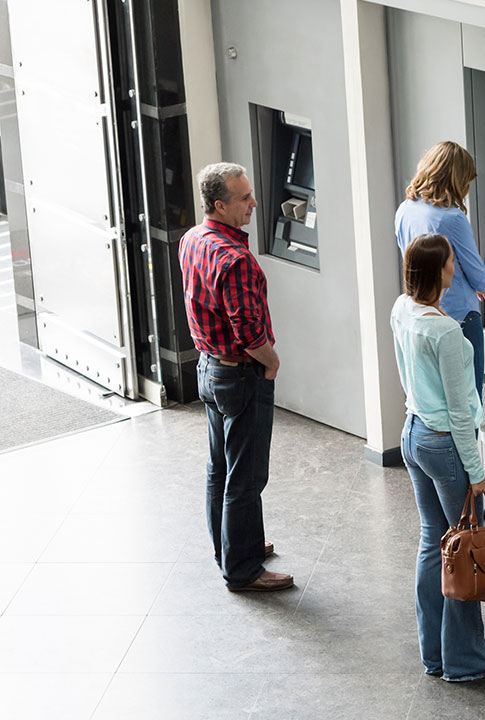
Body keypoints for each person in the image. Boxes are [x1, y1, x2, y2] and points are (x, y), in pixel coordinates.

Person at [391, 232, 485, 682]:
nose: (456, 265)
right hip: (445, 445)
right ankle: (466, 662)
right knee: (466, 551)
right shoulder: (445, 331)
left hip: (413, 434)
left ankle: (434, 657)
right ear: (441, 271)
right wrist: (477, 475)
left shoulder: (402, 309)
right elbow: (459, 412)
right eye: (451, 259)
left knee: (434, 542)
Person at [179, 162, 292, 592]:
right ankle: (243, 568)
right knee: (246, 477)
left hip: (208, 368)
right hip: (240, 375)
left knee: (219, 468)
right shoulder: (235, 259)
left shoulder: (193, 240)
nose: (254, 203)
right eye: (244, 198)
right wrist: (272, 361)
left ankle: (229, 546)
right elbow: (248, 332)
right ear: (220, 205)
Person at [395, 141, 485, 397]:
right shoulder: (452, 218)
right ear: (456, 179)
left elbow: (421, 262)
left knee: (433, 395)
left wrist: (476, 284)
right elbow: (477, 272)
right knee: (467, 399)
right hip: (459, 318)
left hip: (421, 312)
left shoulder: (405, 210)